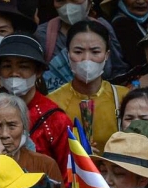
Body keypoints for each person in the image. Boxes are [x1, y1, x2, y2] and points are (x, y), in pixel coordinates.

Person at [0, 34, 74, 168]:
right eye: (7, 66)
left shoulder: (56, 119)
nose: (14, 73)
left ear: (38, 72)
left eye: (23, 66)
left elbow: (68, 172)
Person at [48, 20, 130, 154]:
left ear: (107, 55)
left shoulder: (124, 98)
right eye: (78, 52)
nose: (87, 59)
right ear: (68, 54)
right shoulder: (51, 104)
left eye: (95, 52)